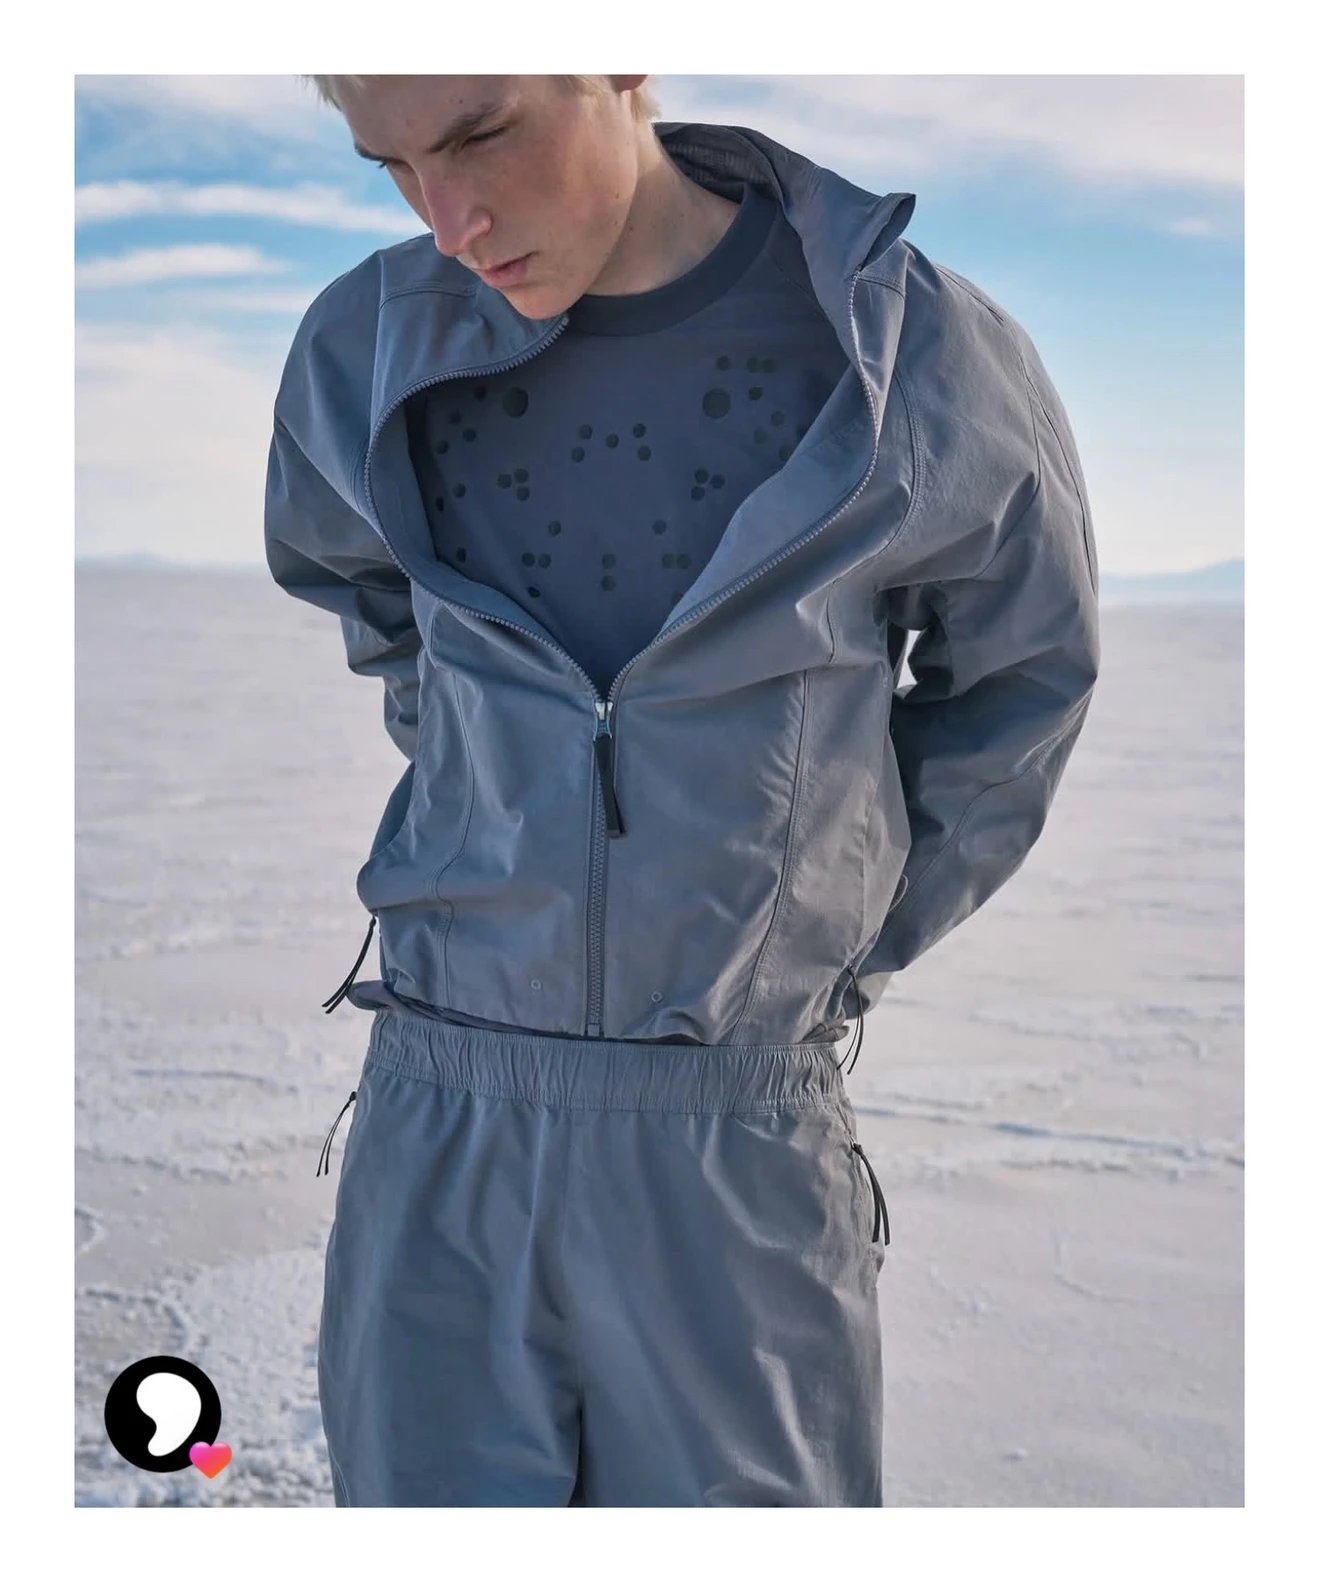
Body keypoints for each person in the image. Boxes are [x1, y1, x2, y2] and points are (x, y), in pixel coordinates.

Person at [265, 74, 1101, 1507]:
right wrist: (504, 788)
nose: (450, 221)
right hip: (443, 1125)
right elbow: (380, 604)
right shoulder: (366, 343)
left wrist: (822, 936)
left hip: (733, 1135)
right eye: (390, 164)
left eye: (481, 133)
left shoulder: (915, 352)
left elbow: (1018, 688)